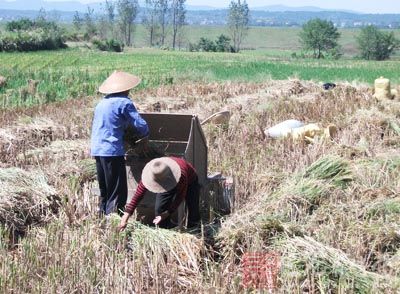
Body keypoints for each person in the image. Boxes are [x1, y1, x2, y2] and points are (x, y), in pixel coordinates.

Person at [91, 71, 149, 216]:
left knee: (105, 189)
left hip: (97, 149)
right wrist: (145, 135)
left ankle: (102, 218)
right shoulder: (124, 102)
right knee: (117, 191)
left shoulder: (101, 104)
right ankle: (114, 221)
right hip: (112, 150)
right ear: (125, 88)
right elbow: (140, 125)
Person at [118, 156, 201, 231]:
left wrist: (167, 213)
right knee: (160, 209)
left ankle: (194, 230)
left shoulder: (181, 175)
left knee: (193, 207)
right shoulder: (151, 175)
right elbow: (137, 197)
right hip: (165, 178)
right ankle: (166, 230)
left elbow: (180, 197)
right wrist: (124, 218)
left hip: (190, 180)